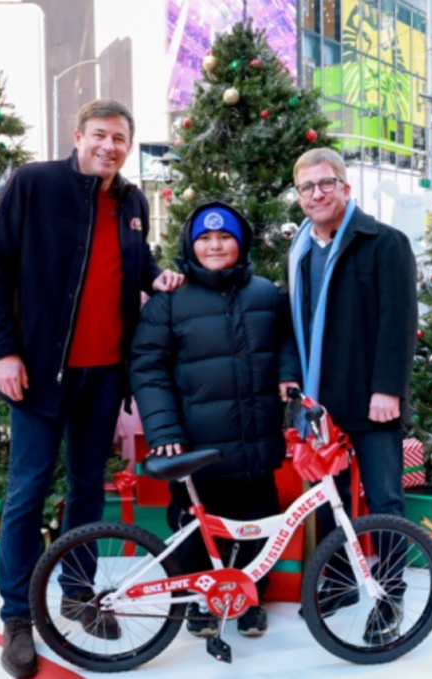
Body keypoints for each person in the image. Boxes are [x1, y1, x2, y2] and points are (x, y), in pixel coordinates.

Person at [0, 98, 184, 679]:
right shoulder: (33, 185)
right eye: (100, 135)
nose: (109, 146)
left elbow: (132, 263)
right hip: (40, 374)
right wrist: (4, 352)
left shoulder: (132, 201)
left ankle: (77, 591)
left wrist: (157, 276)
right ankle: (18, 616)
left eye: (120, 139)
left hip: (103, 377)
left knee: (89, 490)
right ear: (78, 136)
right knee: (28, 492)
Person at [130, 202, 300, 639]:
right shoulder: (169, 302)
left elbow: (285, 342)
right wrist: (164, 429)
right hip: (195, 444)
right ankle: (202, 602)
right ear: (191, 245)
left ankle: (248, 598)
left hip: (256, 439)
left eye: (224, 237)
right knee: (193, 525)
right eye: (204, 239)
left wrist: (287, 375)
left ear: (239, 244)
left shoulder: (266, 294)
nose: (215, 245)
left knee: (258, 521)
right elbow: (148, 368)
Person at [286, 148, 417, 643]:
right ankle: (341, 579)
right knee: (329, 498)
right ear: (298, 196)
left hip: (371, 398)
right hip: (320, 403)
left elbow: (398, 322)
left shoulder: (384, 243)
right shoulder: (299, 249)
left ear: (346, 187)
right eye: (307, 187)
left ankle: (390, 593)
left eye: (326, 183)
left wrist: (388, 390)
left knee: (384, 498)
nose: (316, 194)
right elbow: (296, 323)